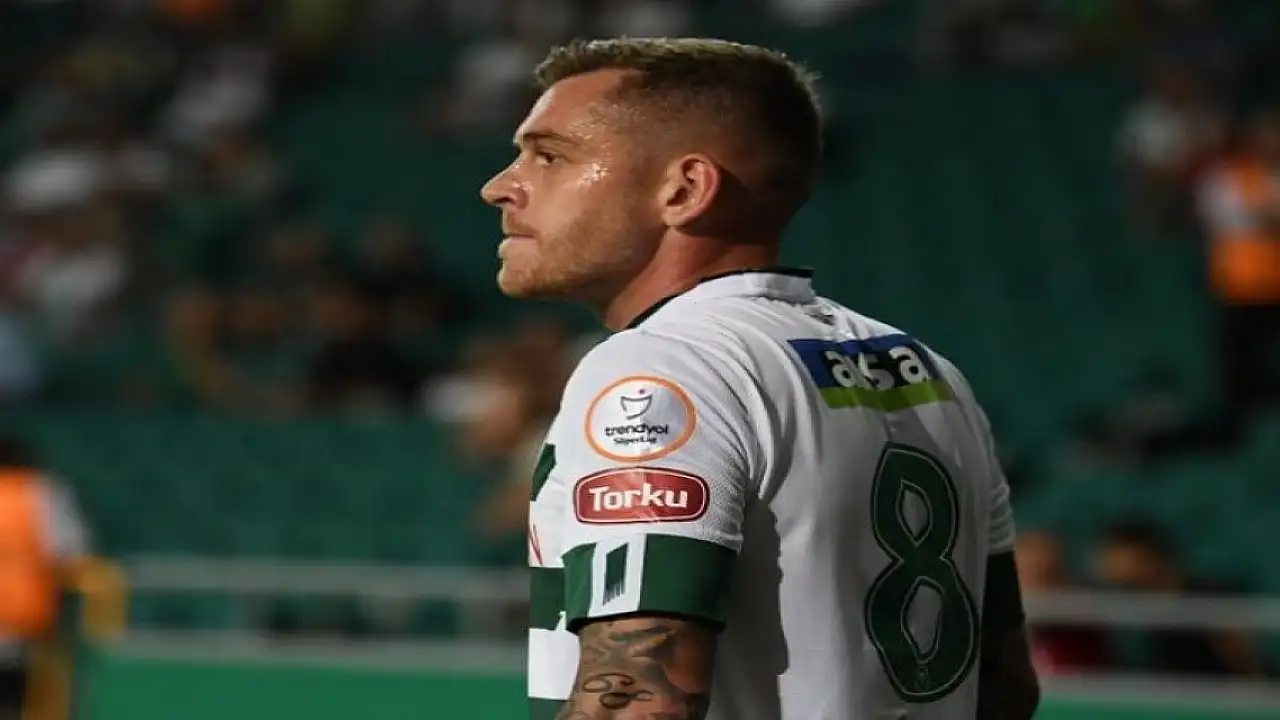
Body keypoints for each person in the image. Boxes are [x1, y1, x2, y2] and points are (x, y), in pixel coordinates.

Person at [480, 37, 1039, 720]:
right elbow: (1004, 684)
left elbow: (638, 698)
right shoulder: (930, 372)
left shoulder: (663, 366)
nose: (500, 186)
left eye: (550, 156)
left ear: (684, 190)